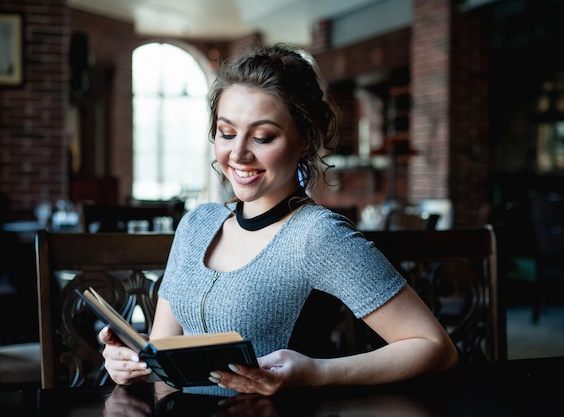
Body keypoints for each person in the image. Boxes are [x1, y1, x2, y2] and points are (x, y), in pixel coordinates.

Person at [99, 43, 458, 396]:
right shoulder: (196, 225)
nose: (238, 153)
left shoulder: (317, 235)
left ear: (304, 139)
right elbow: (166, 350)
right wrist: (134, 362)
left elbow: (434, 346)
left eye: (263, 137)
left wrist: (317, 372)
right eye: (226, 133)